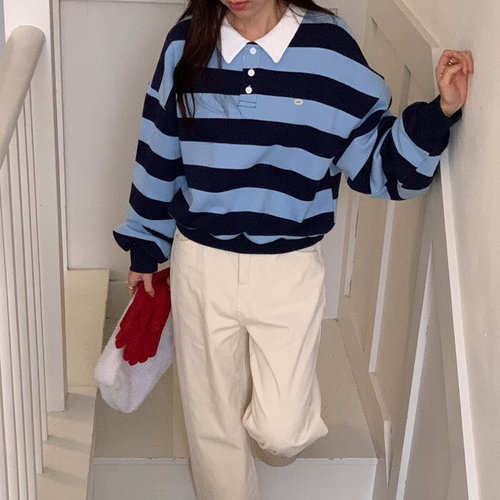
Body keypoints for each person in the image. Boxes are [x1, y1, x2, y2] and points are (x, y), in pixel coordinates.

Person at [113, 0, 473, 497]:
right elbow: (158, 150)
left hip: (288, 268)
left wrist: (440, 113)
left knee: (282, 431)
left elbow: (375, 161)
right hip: (201, 261)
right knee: (212, 424)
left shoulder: (330, 48)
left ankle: (268, 427)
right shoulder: (186, 44)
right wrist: (145, 245)